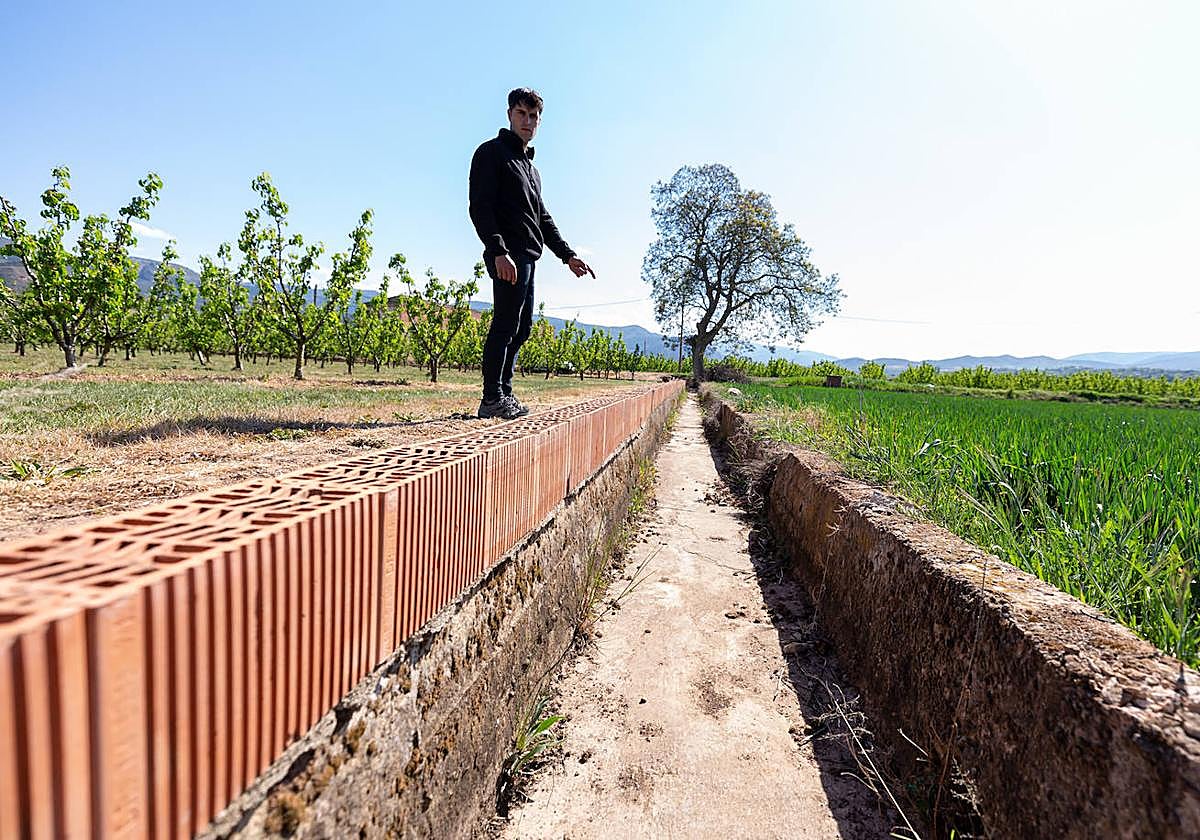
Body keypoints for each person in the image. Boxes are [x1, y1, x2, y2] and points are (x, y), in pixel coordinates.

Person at [469, 87, 595, 420]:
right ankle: (491, 398)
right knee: (505, 325)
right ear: (510, 114)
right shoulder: (491, 154)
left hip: (528, 256)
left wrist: (567, 255)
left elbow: (542, 218)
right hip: (507, 256)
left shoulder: (531, 170)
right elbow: (480, 207)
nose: (528, 121)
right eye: (522, 114)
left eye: (534, 116)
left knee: (521, 328)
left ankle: (504, 393)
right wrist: (497, 250)